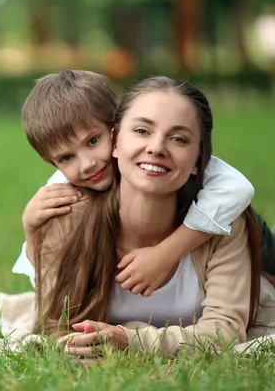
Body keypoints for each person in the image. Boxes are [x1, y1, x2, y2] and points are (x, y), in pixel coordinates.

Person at [25, 76, 275, 357]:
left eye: (179, 138)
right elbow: (53, 320)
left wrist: (131, 339)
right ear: (116, 140)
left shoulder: (224, 213)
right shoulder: (66, 207)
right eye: (142, 130)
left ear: (198, 161)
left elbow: (224, 333)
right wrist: (31, 228)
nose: (157, 148)